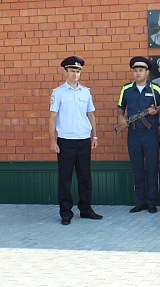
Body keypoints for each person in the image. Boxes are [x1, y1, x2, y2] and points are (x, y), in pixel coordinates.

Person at [49, 55, 103, 225]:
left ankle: (86, 209)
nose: (75, 74)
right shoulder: (58, 93)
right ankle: (66, 213)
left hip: (83, 140)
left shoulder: (86, 92)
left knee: (85, 177)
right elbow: (52, 118)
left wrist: (94, 135)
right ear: (66, 71)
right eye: (72, 71)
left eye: (78, 71)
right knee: (65, 178)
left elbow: (91, 115)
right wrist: (53, 140)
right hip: (65, 140)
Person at [117, 56, 160, 214]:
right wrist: (121, 118)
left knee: (152, 167)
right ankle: (141, 201)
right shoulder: (126, 89)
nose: (138, 73)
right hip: (133, 134)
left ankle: (152, 202)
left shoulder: (155, 88)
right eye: (135, 70)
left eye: (141, 70)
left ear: (147, 72)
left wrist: (155, 110)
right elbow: (120, 107)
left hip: (150, 134)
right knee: (137, 167)